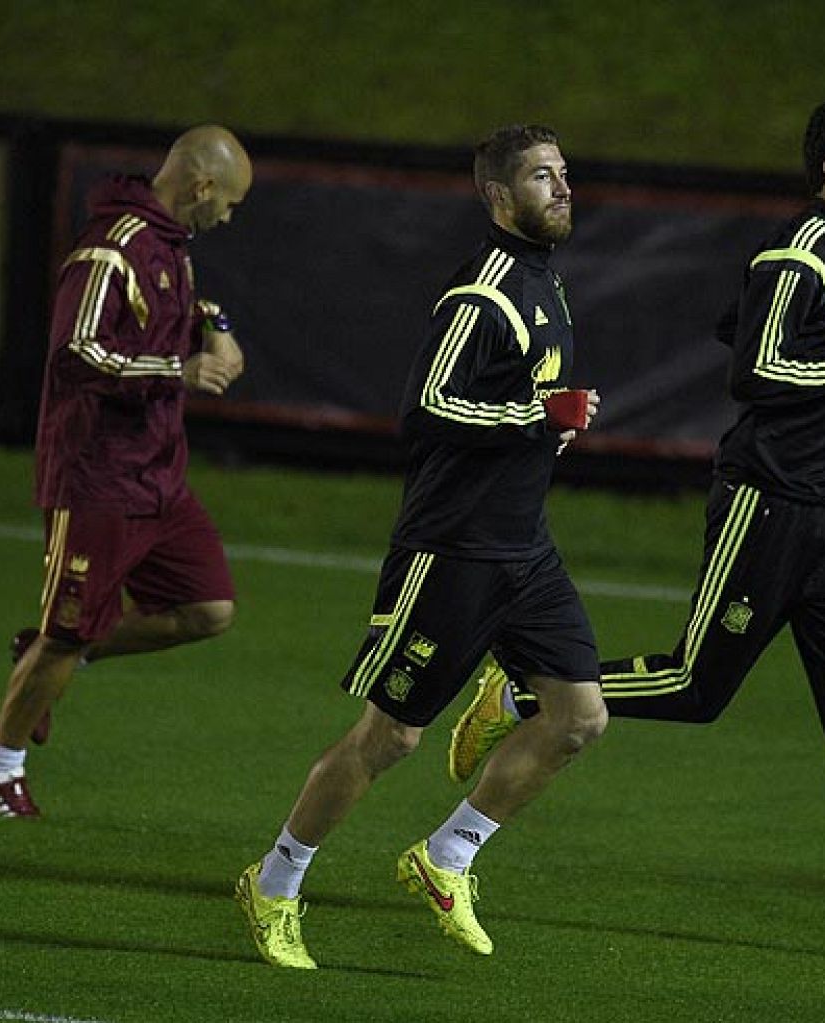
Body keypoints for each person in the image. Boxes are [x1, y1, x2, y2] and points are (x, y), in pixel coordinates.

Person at [447, 100, 825, 957]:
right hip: (768, 503)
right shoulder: (799, 255)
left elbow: (747, 331)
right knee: (695, 686)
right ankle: (520, 691)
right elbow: (755, 366)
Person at [235, 125, 607, 969]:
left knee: (580, 716)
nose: (563, 189)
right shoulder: (482, 294)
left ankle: (447, 856)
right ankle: (276, 879)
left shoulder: (546, 285)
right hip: (452, 550)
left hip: (524, 549)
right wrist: (531, 419)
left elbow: (521, 411)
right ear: (499, 197)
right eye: (543, 177)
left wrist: (550, 422)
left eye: (564, 174)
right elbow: (425, 407)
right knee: (390, 738)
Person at [0, 126, 252, 818]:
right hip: (96, 477)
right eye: (231, 202)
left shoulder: (171, 248)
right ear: (202, 185)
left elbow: (166, 325)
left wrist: (215, 322)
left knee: (207, 609)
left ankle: (56, 653)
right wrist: (179, 370)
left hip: (157, 475)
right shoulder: (109, 250)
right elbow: (73, 355)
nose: (230, 217)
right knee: (70, 630)